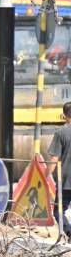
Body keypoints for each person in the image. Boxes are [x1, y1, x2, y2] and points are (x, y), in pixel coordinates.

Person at [46, 101, 71, 236]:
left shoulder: (61, 133)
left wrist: (45, 176)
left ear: (64, 115)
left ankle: (69, 232)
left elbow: (54, 159)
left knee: (59, 211)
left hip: (66, 182)